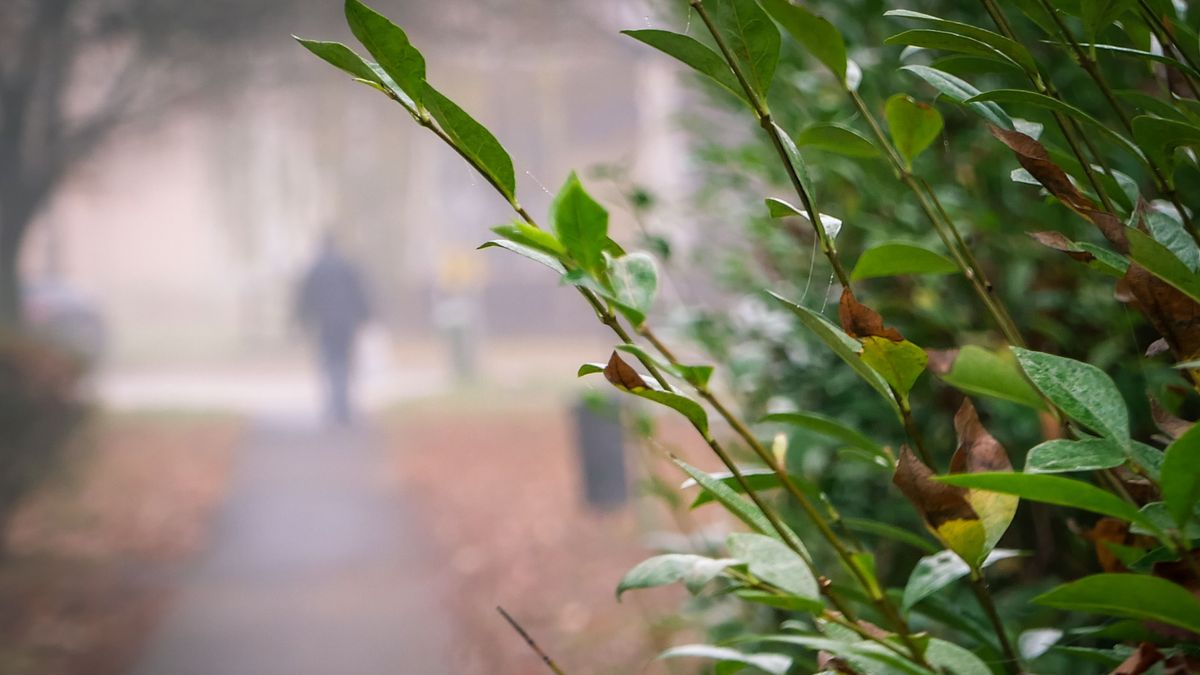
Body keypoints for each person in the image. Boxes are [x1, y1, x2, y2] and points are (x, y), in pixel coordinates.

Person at [294, 234, 372, 425]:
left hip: (324, 323)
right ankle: (344, 405)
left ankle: (332, 404)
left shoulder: (315, 269)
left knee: (329, 362)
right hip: (346, 322)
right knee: (345, 361)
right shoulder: (347, 266)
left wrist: (302, 320)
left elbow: (305, 297)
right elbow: (359, 292)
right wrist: (365, 316)